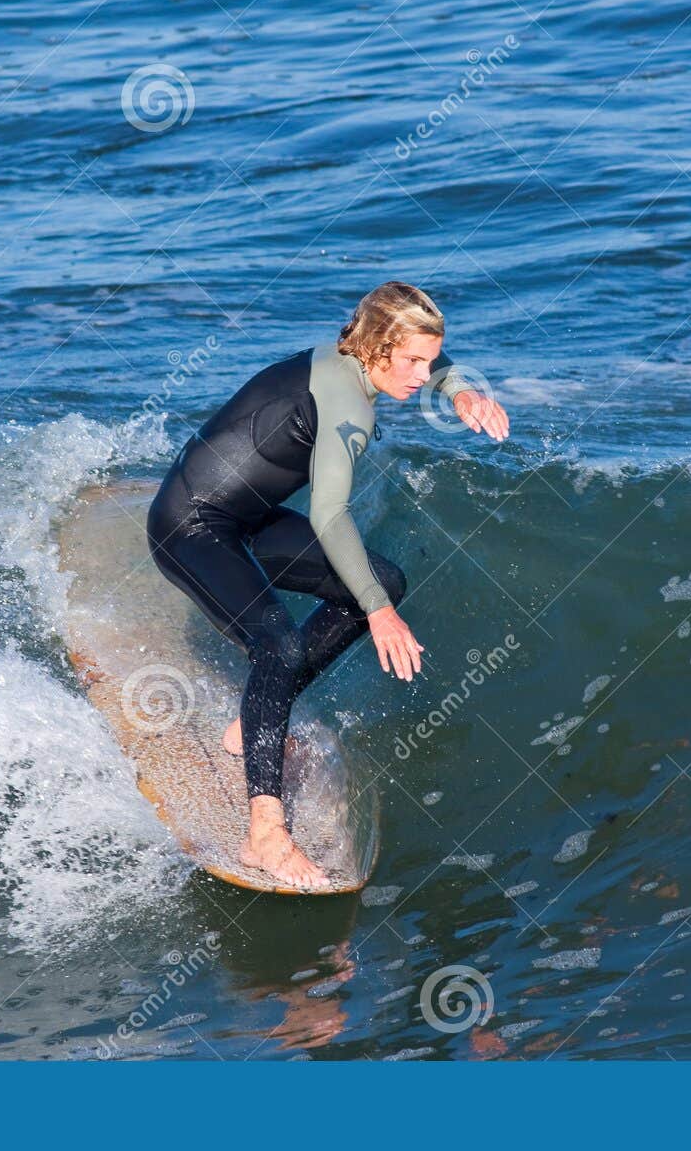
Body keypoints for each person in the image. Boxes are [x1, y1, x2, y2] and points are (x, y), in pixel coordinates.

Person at [144, 282, 510, 889]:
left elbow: (427, 360)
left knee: (383, 578)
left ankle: (255, 718)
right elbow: (330, 516)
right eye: (413, 362)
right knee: (285, 643)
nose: (422, 376)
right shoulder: (349, 408)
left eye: (429, 360)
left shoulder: (352, 355)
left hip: (248, 517)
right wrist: (379, 614)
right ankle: (266, 831)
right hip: (191, 524)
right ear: (377, 348)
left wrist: (460, 388)